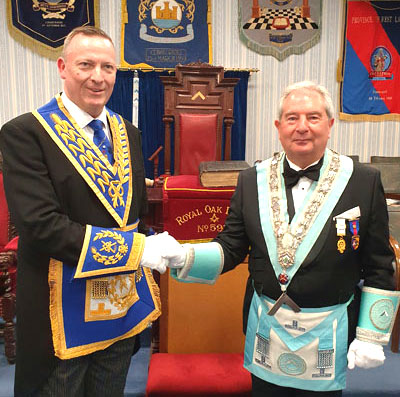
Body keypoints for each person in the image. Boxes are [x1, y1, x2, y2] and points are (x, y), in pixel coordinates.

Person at [167, 81, 400, 396]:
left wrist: (372, 334)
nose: (302, 127)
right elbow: (231, 248)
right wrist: (185, 257)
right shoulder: (252, 180)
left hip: (329, 330)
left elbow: (379, 264)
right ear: (278, 127)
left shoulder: (363, 180)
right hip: (267, 328)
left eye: (313, 117)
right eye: (292, 118)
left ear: (330, 125)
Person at [0, 26, 180, 396]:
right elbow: (40, 226)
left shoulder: (127, 132)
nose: (98, 77)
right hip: (60, 311)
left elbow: (132, 214)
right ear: (63, 67)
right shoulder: (25, 133)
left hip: (117, 302)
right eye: (86, 65)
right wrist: (137, 250)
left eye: (108, 67)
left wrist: (152, 241)